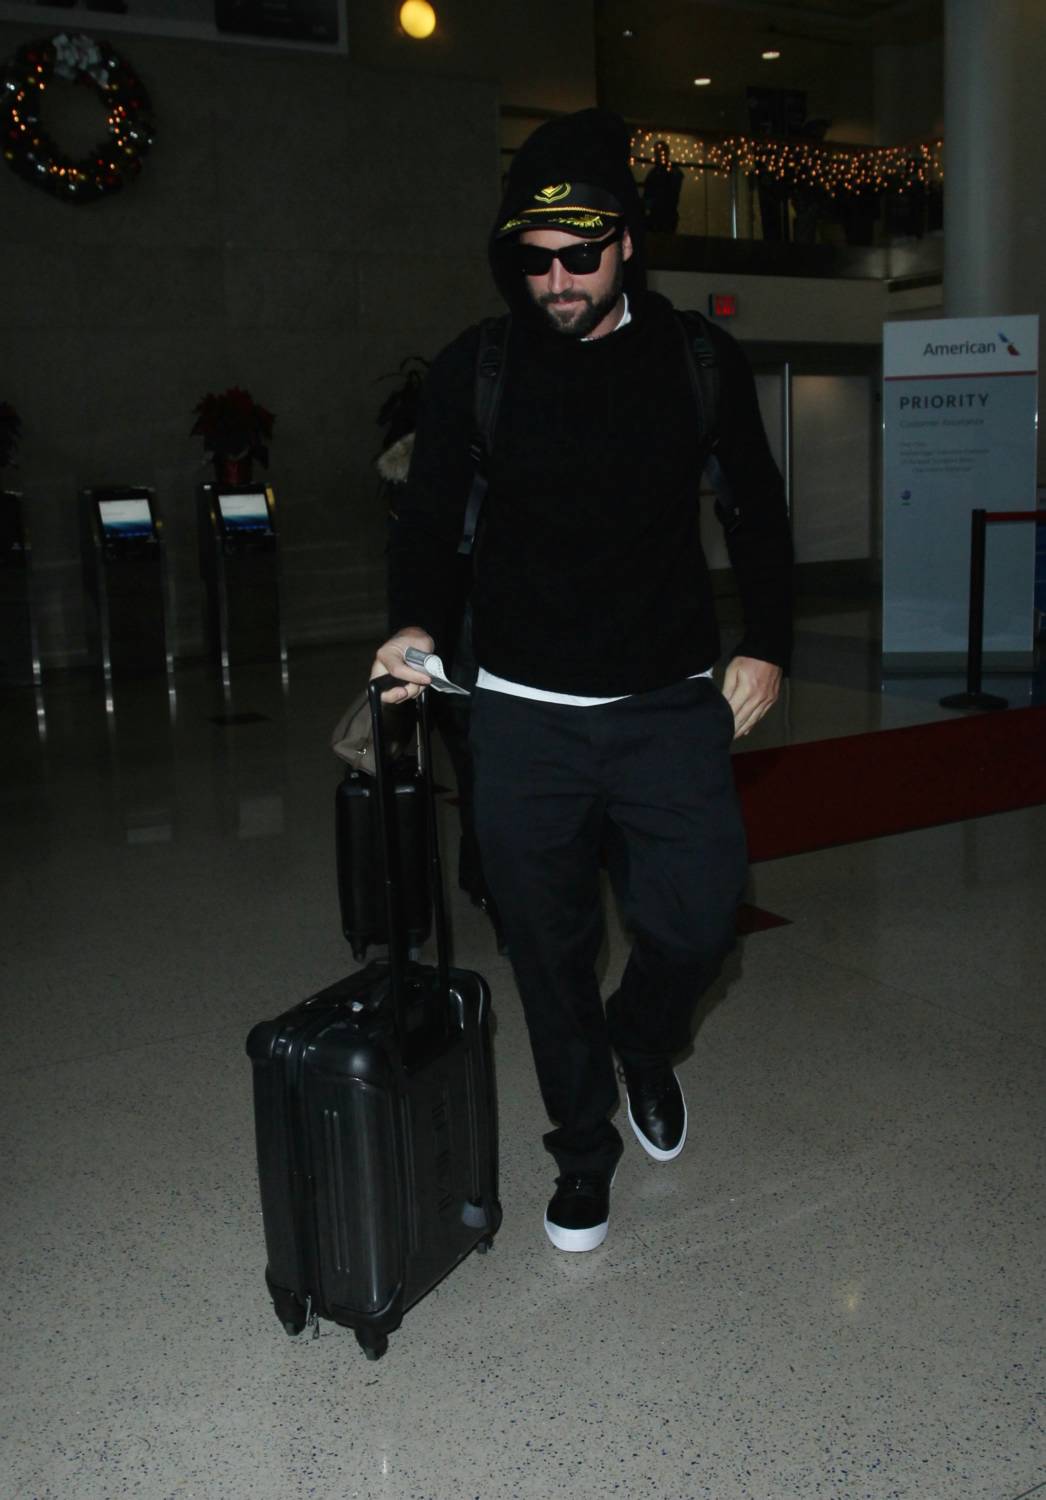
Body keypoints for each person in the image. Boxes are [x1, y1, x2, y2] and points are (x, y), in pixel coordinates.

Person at [369, 109, 793, 1253]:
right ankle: (581, 1151)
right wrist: (409, 625)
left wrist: (766, 643)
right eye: (532, 257)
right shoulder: (480, 366)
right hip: (521, 715)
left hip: (664, 702)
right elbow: (426, 519)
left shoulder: (698, 362)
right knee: (544, 950)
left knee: (700, 920)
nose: (552, 279)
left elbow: (754, 506)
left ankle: (644, 1039)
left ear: (627, 246)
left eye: (578, 255)